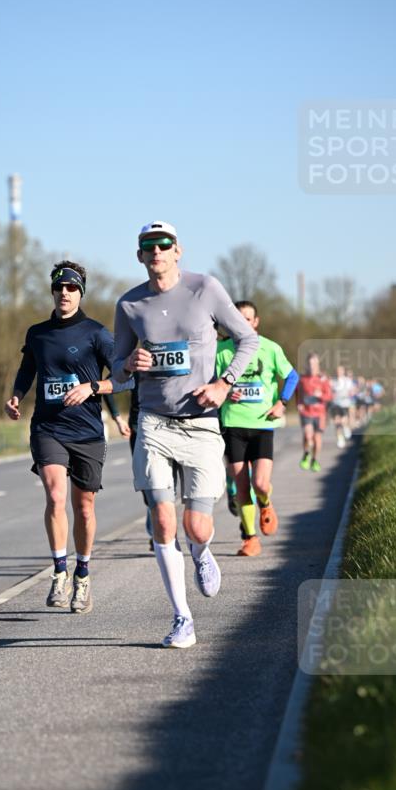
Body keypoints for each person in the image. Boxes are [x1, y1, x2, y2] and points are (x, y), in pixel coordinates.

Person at [112, 220, 258, 649]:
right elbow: (118, 373)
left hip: (200, 422)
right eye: (147, 246)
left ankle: (201, 551)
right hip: (153, 422)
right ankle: (182, 618)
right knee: (162, 517)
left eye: (163, 244)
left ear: (178, 251)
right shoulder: (129, 305)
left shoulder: (205, 289)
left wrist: (223, 383)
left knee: (196, 525)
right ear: (140, 256)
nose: (156, 251)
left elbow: (247, 339)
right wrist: (127, 366)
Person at [5, 260, 132, 615]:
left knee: (85, 507)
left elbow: (125, 378)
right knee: (56, 495)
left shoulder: (97, 333)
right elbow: (27, 369)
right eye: (60, 287)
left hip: (88, 431)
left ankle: (83, 575)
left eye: (72, 288)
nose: (65, 293)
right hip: (48, 427)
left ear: (81, 292)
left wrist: (93, 386)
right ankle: (59, 571)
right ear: (53, 291)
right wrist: (16, 395)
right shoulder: (37, 333)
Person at [216, 301, 298, 557]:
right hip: (233, 424)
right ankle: (250, 538)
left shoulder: (270, 348)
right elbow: (211, 383)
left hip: (262, 424)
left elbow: (292, 376)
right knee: (241, 486)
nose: (244, 323)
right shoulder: (222, 351)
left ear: (256, 322)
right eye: (238, 319)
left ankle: (265, 503)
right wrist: (227, 393)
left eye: (248, 319)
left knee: (260, 483)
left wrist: (281, 403)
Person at [297, 353, 332, 472]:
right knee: (308, 435)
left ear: (318, 365)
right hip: (307, 412)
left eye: (314, 364)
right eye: (310, 364)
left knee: (317, 440)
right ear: (307, 364)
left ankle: (315, 460)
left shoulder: (323, 378)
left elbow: (329, 396)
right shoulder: (302, 378)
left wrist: (321, 395)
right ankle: (306, 453)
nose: (312, 366)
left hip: (320, 413)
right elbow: (298, 392)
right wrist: (299, 404)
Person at [330, 363, 355, 448]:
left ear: (343, 371)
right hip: (335, 404)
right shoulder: (333, 381)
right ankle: (340, 439)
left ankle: (346, 428)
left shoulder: (347, 381)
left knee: (343, 421)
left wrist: (351, 393)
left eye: (340, 370)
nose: (338, 372)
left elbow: (352, 390)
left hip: (345, 404)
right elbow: (329, 392)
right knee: (337, 422)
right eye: (337, 371)